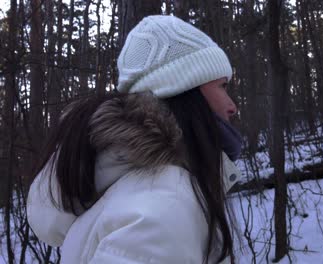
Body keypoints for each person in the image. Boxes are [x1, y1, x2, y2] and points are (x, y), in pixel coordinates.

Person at [26, 15, 243, 264]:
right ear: (184, 88)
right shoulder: (165, 204)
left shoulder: (147, 190)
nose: (232, 106)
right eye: (223, 86)